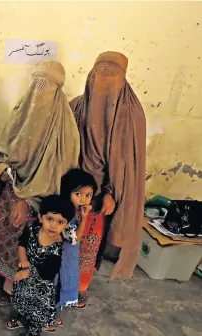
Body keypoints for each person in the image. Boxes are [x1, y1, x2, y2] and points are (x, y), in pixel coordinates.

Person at [0, 60, 80, 306]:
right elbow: (1, 153)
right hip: (11, 189)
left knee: (24, 237)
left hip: (41, 203)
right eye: (36, 83)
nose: (39, 91)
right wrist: (4, 173)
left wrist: (26, 200)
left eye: (46, 85)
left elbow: (61, 172)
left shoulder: (65, 128)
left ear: (57, 90)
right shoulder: (21, 113)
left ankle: (12, 286)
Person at [70, 52, 146, 308]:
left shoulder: (132, 114)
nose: (104, 80)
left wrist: (112, 191)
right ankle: (57, 281)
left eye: (112, 74)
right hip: (70, 188)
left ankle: (79, 286)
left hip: (104, 195)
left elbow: (128, 161)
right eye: (99, 72)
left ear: (124, 78)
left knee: (89, 243)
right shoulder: (76, 106)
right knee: (63, 237)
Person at [6, 195, 74, 336]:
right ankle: (23, 318)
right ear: (40, 217)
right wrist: (23, 259)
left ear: (66, 225)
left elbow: (49, 271)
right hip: (24, 279)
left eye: (60, 222)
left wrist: (28, 272)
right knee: (21, 299)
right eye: (50, 219)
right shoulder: (32, 229)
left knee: (38, 310)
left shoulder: (57, 246)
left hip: (41, 287)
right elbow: (22, 244)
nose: (54, 226)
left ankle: (34, 332)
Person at [47, 169, 97, 331]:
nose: (83, 199)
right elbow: (75, 238)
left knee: (60, 283)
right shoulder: (65, 215)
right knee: (52, 286)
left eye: (88, 195)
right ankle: (47, 317)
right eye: (78, 194)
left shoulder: (75, 212)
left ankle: (50, 312)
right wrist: (84, 219)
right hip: (57, 258)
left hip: (67, 258)